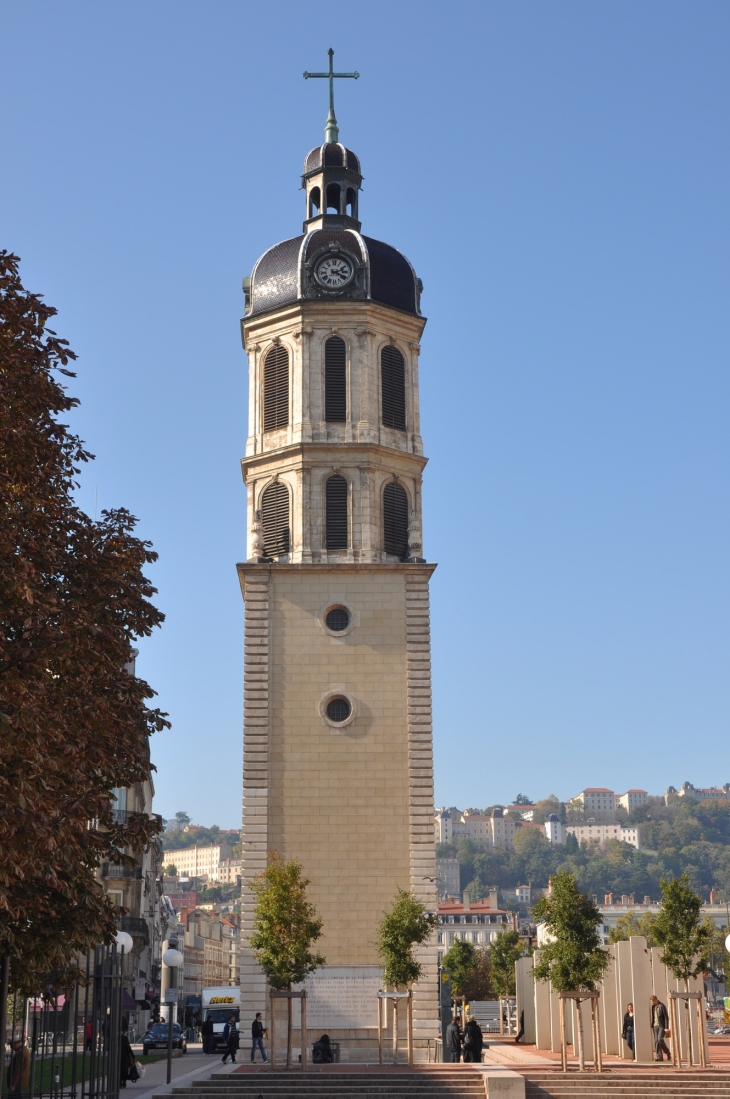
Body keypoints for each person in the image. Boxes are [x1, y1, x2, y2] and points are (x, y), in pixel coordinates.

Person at [650, 995, 670, 1061]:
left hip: (661, 1026)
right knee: (656, 1041)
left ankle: (667, 1052)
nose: (652, 1003)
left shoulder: (662, 1006)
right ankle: (659, 1057)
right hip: (655, 1026)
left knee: (660, 1039)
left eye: (652, 1001)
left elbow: (666, 1017)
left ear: (656, 1000)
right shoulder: (653, 1007)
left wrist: (666, 1027)